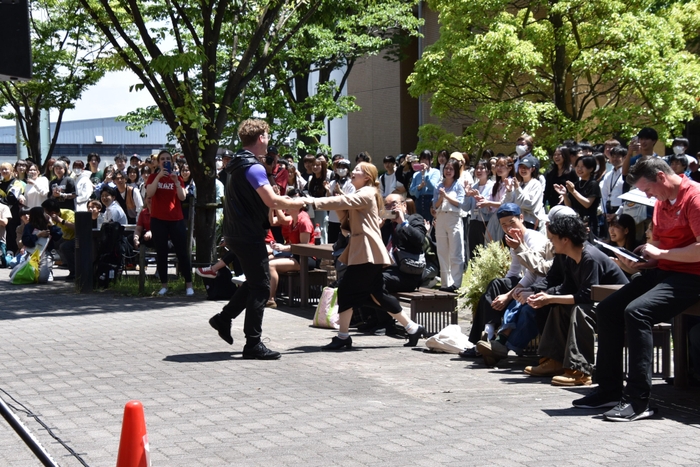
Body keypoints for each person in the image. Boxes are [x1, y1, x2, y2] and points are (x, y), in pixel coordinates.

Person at [573, 158, 700, 421]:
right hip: (663, 272)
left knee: (637, 312)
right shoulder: (662, 203)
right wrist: (642, 262)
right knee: (608, 309)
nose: (647, 195)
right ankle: (608, 390)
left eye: (647, 190)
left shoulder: (695, 198)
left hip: (692, 277)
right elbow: (663, 252)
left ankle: (638, 400)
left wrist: (662, 253)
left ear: (662, 178)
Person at [208, 118, 306, 360]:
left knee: (254, 283)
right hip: (247, 234)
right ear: (261, 137)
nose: (269, 141)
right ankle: (252, 343)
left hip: (238, 232)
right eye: (268, 136)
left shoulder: (237, 165)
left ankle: (223, 318)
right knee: (262, 286)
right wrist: (298, 203)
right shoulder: (253, 167)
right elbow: (271, 200)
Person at [303, 162, 427, 350]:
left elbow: (419, 241)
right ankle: (412, 327)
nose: (389, 208)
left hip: (406, 271)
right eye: (386, 205)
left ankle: (345, 336)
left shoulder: (410, 217)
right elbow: (354, 216)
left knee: (349, 290)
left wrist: (402, 223)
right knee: (376, 294)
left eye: (394, 204)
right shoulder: (378, 212)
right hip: (376, 260)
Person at [522, 216, 628, 386]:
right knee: (557, 306)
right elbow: (567, 287)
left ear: (565, 239)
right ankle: (555, 360)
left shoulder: (589, 257)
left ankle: (581, 371)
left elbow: (586, 296)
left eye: (553, 239)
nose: (551, 244)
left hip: (618, 310)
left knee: (581, 311)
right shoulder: (571, 257)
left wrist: (550, 298)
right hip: (599, 306)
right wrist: (544, 296)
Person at [464, 203, 548, 350]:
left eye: (512, 222)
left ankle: (486, 341)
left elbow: (533, 274)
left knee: (502, 293)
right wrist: (501, 293)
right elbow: (513, 272)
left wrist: (508, 296)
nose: (509, 228)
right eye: (504, 225)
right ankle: (487, 332)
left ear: (521, 218)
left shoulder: (533, 238)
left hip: (538, 283)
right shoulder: (512, 240)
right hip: (525, 281)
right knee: (495, 285)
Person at [145, 150, 194, 296]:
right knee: (161, 253)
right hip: (158, 220)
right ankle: (164, 285)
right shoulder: (153, 177)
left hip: (176, 220)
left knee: (182, 253)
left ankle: (189, 285)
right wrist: (159, 177)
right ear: (158, 162)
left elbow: (183, 197)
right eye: (162, 159)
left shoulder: (177, 177)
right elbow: (150, 193)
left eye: (167, 159)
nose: (165, 161)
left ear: (171, 162)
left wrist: (177, 183)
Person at [266, 189, 316, 308]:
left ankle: (271, 299)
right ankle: (266, 294)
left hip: (306, 258)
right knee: (267, 260)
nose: (285, 206)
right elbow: (273, 221)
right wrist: (272, 205)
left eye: (288, 204)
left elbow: (304, 247)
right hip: (295, 255)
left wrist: (285, 248)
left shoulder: (304, 221)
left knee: (270, 265)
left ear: (298, 206)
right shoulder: (293, 219)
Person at [432, 159, 465, 292]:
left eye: (451, 169)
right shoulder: (438, 185)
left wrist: (446, 195)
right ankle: (446, 282)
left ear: (456, 171)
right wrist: (441, 197)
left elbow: (460, 203)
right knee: (442, 251)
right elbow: (435, 205)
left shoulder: (458, 185)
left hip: (454, 219)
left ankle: (456, 283)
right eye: (446, 168)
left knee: (455, 252)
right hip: (440, 218)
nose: (448, 171)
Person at [555, 154, 601, 236]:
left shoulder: (593, 184)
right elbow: (569, 206)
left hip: (589, 223)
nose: (579, 169)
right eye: (577, 166)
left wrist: (573, 191)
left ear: (591, 168)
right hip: (576, 222)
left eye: (582, 166)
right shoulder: (576, 184)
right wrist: (565, 194)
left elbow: (587, 204)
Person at [503, 154, 545, 231]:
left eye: (526, 167)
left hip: (529, 223)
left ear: (532, 169)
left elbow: (529, 205)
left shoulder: (536, 184)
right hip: (515, 221)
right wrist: (509, 191)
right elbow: (508, 204)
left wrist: (518, 189)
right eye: (521, 167)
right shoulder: (519, 184)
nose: (523, 169)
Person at [463, 159, 494, 260]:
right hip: (473, 222)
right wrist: (467, 195)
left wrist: (478, 197)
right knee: (473, 252)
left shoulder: (492, 186)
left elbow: (489, 210)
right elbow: (466, 207)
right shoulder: (473, 186)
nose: (479, 171)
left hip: (486, 222)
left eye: (482, 168)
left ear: (488, 171)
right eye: (477, 168)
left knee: (485, 252)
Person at [41, 199, 75, 281]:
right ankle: (47, 269)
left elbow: (75, 227)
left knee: (65, 246)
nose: (44, 213)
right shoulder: (48, 218)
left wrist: (61, 221)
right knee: (48, 243)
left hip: (75, 238)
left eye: (45, 211)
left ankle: (74, 272)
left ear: (52, 212)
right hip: (63, 238)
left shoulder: (68, 213)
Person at [327, 159, 354, 244]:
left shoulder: (351, 183)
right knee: (332, 241)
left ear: (348, 169)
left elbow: (350, 200)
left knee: (346, 242)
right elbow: (328, 199)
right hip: (332, 218)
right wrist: (327, 190)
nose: (341, 169)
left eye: (344, 167)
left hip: (345, 218)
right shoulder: (332, 183)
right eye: (339, 167)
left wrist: (340, 191)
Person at [0, 162, 25, 255]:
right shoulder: (1, 184)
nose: (4, 171)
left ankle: (14, 253)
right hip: (2, 214)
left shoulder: (17, 183)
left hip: (14, 214)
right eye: (2, 169)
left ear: (11, 171)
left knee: (13, 234)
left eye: (6, 169)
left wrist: (1, 199)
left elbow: (11, 198)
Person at [409, 150, 441, 223]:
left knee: (431, 224)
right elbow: (411, 191)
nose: (424, 161)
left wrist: (425, 174)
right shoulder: (416, 174)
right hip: (419, 201)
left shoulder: (436, 172)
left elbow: (432, 187)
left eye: (427, 159)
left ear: (431, 160)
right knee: (419, 223)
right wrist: (419, 187)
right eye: (422, 159)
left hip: (431, 202)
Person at [543, 146, 576, 211]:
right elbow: (547, 191)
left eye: (559, 154)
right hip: (554, 206)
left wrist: (566, 196)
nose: (556, 157)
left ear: (565, 156)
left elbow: (575, 189)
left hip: (568, 205)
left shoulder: (572, 172)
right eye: (555, 155)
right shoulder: (550, 173)